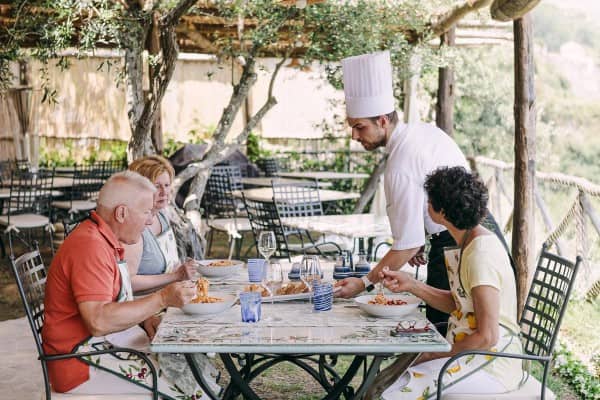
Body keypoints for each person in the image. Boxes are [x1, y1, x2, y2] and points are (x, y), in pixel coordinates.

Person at [335, 50, 469, 334]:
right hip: (478, 236)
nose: (355, 136)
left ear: (383, 121)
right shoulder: (423, 132)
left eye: (360, 127)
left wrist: (363, 283)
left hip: (457, 251)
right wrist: (420, 236)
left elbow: (405, 245)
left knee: (442, 336)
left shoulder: (399, 164)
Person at [41, 171, 204, 398]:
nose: (150, 221)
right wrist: (162, 298)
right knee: (188, 389)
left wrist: (145, 318)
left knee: (191, 368)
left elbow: (113, 300)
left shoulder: (101, 237)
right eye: (146, 212)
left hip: (102, 347)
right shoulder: (90, 247)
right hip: (82, 365)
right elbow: (98, 320)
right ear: (121, 213)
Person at [380, 166, 523, 399]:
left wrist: (437, 354)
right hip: (470, 354)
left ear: (442, 212)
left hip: (491, 364)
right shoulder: (469, 241)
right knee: (391, 377)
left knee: (395, 392)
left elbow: (488, 336)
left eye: (429, 202)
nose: (426, 206)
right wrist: (412, 285)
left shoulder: (481, 255)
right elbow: (461, 304)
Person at [123, 155, 196, 294]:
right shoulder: (131, 227)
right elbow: (127, 282)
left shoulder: (161, 214)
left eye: (167, 185)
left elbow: (171, 263)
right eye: (156, 186)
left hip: (172, 294)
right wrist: (175, 276)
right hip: (146, 302)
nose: (164, 192)